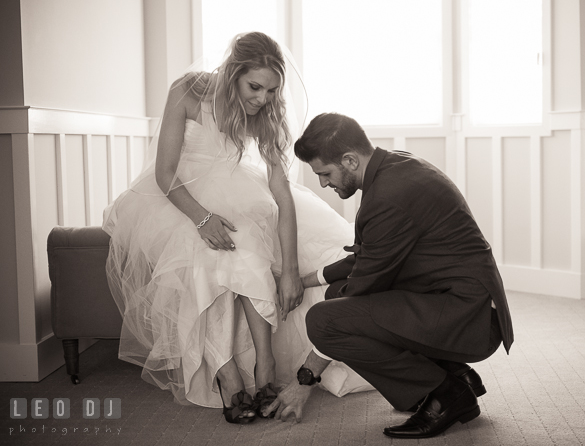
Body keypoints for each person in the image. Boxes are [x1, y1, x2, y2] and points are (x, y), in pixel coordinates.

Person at [102, 33, 369, 424]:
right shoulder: (188, 91)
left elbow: (282, 195)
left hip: (240, 195)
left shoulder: (267, 115)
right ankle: (228, 375)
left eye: (271, 89)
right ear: (232, 73)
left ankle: (265, 364)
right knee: (207, 251)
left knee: (246, 240)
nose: (262, 98)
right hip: (178, 197)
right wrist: (201, 218)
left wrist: (292, 270)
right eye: (254, 87)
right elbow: (165, 172)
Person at [266, 113, 514, 439]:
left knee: (325, 321)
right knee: (335, 295)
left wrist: (305, 379)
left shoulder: (387, 197)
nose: (324, 184)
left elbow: (358, 291)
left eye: (324, 174)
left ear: (350, 160)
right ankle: (453, 374)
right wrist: (303, 279)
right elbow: (367, 257)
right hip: (458, 300)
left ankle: (445, 392)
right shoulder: (395, 167)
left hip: (470, 318)